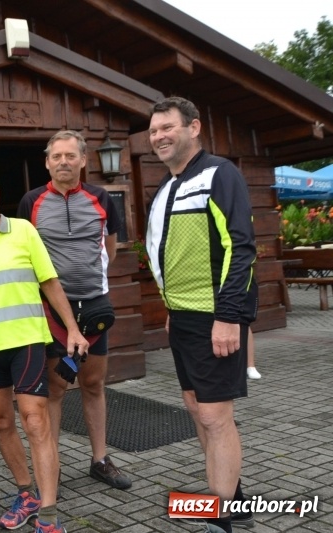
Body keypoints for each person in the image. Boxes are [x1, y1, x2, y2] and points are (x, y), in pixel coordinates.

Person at [0, 166, 89, 533]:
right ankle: (26, 493)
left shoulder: (23, 231)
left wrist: (72, 328)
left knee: (35, 421)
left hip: (26, 342)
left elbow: (50, 283)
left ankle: (49, 516)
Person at [145, 96, 258, 533]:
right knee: (195, 408)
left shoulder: (219, 174)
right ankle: (234, 497)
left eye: (167, 127)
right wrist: (172, 307)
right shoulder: (166, 187)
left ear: (193, 128)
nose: (159, 136)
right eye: (154, 130)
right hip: (184, 316)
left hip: (216, 316)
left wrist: (229, 317)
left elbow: (239, 247)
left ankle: (221, 517)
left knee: (215, 416)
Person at [17, 130, 132, 490]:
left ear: (83, 160)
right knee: (55, 387)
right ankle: (52, 464)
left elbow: (110, 248)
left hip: (95, 303)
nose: (63, 162)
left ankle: (99, 459)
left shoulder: (101, 198)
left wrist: (88, 277)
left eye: (71, 156)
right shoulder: (30, 202)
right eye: (57, 156)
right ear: (47, 162)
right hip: (51, 310)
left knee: (93, 383)